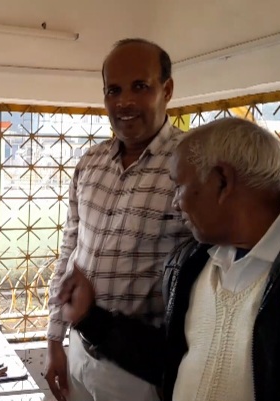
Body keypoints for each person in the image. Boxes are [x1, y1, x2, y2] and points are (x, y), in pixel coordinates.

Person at [53, 117, 280, 401]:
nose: (175, 204)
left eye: (179, 186)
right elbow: (171, 361)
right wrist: (90, 319)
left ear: (222, 181)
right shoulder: (189, 263)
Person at [45, 38, 191, 401]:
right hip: (80, 353)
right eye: (113, 90)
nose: (124, 102)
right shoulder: (90, 163)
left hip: (140, 372)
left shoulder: (192, 164)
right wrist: (54, 340)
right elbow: (70, 252)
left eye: (140, 86)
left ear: (167, 90)